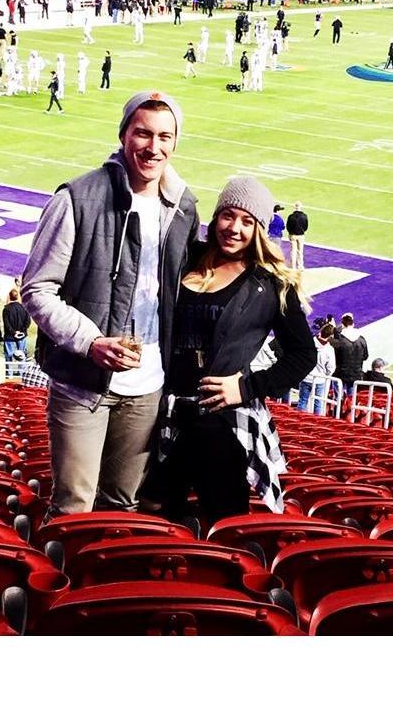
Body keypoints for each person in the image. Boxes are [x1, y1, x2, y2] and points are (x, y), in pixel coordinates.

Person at [22, 90, 199, 516]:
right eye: (142, 133)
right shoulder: (76, 199)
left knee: (123, 504)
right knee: (73, 505)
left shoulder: (183, 206)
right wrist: (91, 341)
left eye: (164, 136)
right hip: (83, 382)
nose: (152, 147)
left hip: (148, 383)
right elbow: (37, 289)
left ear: (175, 143)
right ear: (123, 135)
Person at [151, 175, 314, 524]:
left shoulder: (272, 284)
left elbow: (303, 355)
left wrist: (246, 387)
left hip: (220, 424)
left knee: (221, 521)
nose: (234, 228)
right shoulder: (187, 257)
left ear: (259, 228)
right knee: (159, 517)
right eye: (228, 215)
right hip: (161, 414)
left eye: (247, 221)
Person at [332, 312, 368, 394]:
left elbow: (335, 355)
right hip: (356, 372)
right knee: (351, 397)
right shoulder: (361, 339)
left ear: (343, 325)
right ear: (353, 324)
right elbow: (365, 356)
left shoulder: (340, 340)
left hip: (340, 373)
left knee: (339, 397)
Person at [2, 286, 29, 363]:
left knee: (9, 356)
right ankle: (21, 372)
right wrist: (22, 331)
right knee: (22, 355)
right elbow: (27, 321)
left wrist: (14, 332)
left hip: (10, 336)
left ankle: (9, 373)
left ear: (10, 297)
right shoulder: (24, 307)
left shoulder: (6, 309)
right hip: (22, 336)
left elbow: (7, 323)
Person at [285, 202, 308, 273]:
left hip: (293, 235)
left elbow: (288, 226)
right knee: (300, 251)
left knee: (293, 251)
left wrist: (290, 232)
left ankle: (293, 267)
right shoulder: (304, 216)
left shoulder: (291, 216)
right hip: (301, 235)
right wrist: (302, 231)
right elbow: (306, 226)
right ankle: (300, 266)